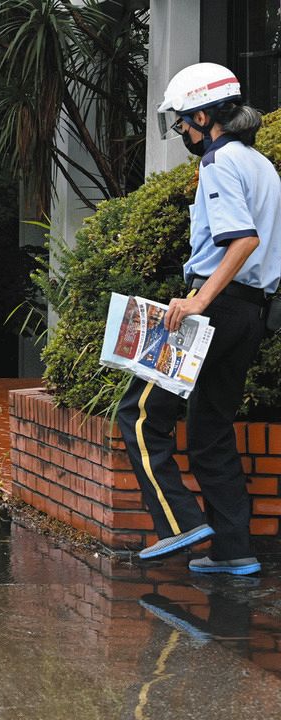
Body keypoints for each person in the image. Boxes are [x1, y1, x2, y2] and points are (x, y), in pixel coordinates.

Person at [117, 63, 281, 576]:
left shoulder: (218, 162)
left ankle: (180, 525)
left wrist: (198, 302)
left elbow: (243, 238)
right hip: (251, 312)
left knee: (140, 415)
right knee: (211, 429)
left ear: (206, 116)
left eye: (184, 122)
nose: (183, 132)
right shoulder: (261, 164)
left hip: (216, 306)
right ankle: (235, 553)